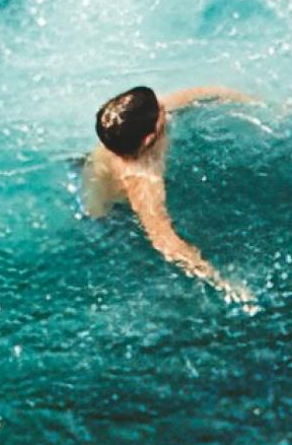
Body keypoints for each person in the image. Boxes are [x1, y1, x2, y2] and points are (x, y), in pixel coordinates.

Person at [82, 82, 258, 305]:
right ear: (149, 138)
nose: (164, 108)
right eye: (160, 111)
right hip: (110, 217)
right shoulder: (142, 178)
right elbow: (163, 240)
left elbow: (203, 92)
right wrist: (219, 281)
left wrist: (253, 102)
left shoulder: (134, 127)